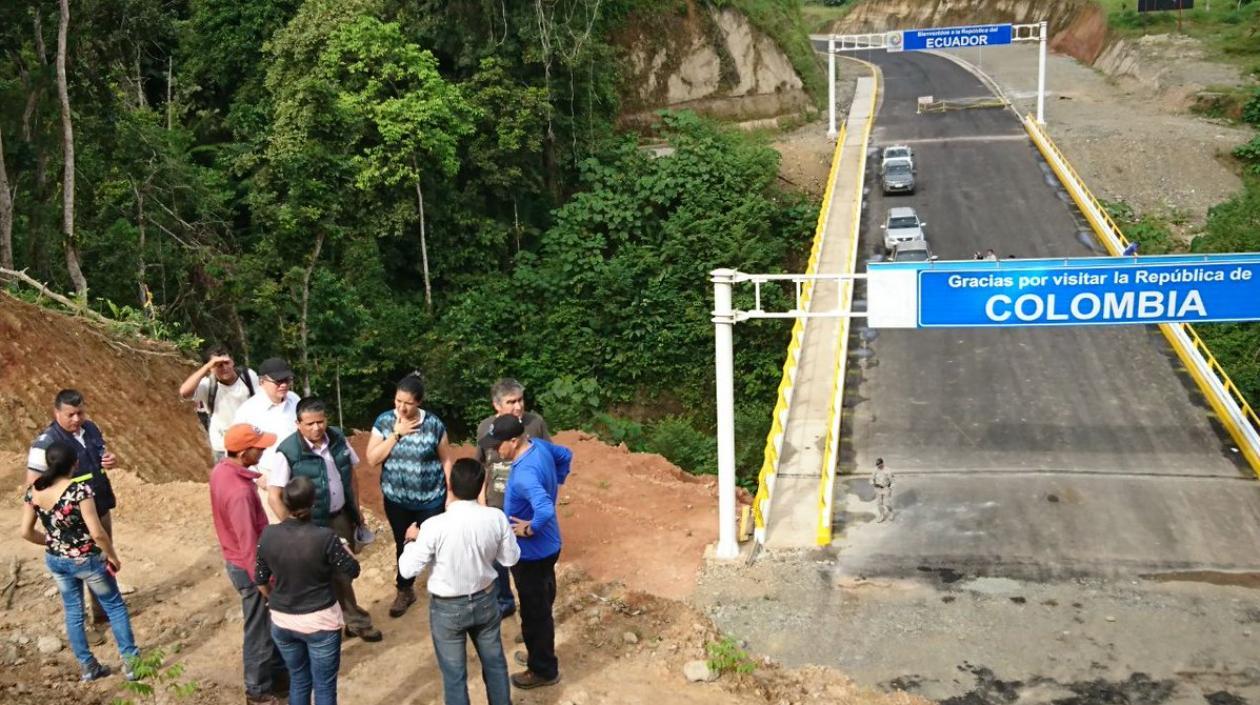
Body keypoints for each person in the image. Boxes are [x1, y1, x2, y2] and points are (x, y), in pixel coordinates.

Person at [399, 459, 520, 705]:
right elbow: (510, 558)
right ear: (481, 487)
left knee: (454, 676)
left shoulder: (434, 526)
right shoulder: (496, 518)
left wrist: (411, 540)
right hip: (487, 600)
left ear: (450, 486)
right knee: (495, 664)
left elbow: (408, 569)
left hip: (448, 609)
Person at [19, 440, 139, 682]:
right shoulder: (80, 490)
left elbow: (26, 532)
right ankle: (132, 663)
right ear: (74, 464)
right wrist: (113, 556)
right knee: (114, 607)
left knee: (73, 612)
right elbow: (97, 532)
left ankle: (88, 666)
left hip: (57, 560)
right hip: (88, 561)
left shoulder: (34, 491)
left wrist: (54, 542)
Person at [271, 397, 381, 642]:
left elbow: (351, 473)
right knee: (319, 577)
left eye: (320, 422)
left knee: (343, 572)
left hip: (340, 516)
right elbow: (274, 495)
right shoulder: (288, 451)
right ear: (298, 423)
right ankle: (336, 625)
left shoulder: (338, 439)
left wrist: (357, 508)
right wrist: (293, 529)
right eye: (309, 424)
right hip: (311, 524)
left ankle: (352, 621)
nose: (316, 428)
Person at [479, 414, 572, 690]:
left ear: (514, 440)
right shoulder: (540, 447)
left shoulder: (524, 474)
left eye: (498, 445)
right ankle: (538, 655)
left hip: (531, 553)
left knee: (534, 614)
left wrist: (529, 529)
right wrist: (557, 481)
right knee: (542, 602)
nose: (495, 450)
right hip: (550, 546)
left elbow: (543, 509)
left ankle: (542, 669)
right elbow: (566, 454)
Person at [256, 477, 361, 705]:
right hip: (320, 622)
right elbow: (352, 570)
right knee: (323, 686)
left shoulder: (268, 535)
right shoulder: (325, 538)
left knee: (299, 680)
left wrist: (273, 599)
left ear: (285, 502)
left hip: (283, 622)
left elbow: (260, 579)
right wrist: (344, 548)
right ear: (313, 502)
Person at [27, 389, 118, 645]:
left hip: (99, 505)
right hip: (72, 520)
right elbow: (33, 485)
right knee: (85, 570)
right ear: (57, 413)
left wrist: (109, 461)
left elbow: (101, 456)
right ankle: (97, 621)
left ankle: (104, 613)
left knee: (102, 563)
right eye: (70, 414)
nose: (76, 419)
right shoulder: (44, 443)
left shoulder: (91, 429)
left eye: (80, 413)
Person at [364, 373, 454, 619]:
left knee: (436, 544)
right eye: (397, 401)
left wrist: (451, 493)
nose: (401, 407)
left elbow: (446, 458)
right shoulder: (384, 422)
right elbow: (372, 459)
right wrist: (396, 434)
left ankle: (446, 590)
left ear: (419, 402)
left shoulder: (433, 424)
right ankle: (405, 589)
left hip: (431, 498)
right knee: (405, 546)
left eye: (408, 403)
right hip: (397, 499)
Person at [210, 424, 287, 705]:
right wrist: (263, 582)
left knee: (267, 624)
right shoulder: (239, 494)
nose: (263, 449)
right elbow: (248, 544)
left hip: (239, 561)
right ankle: (257, 691)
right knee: (259, 630)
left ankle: (279, 677)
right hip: (249, 567)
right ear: (244, 452)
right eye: (259, 446)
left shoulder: (222, 470)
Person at [474, 378, 550, 618]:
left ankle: (535, 614)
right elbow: (480, 466)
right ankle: (504, 601)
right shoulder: (485, 428)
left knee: (527, 565)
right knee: (497, 559)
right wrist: (481, 503)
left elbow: (549, 463)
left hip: (524, 509)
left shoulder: (535, 424)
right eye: (511, 402)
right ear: (497, 405)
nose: (518, 407)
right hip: (495, 504)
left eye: (520, 400)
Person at [233, 357, 301, 522]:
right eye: (278, 381)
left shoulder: (294, 400)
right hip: (269, 475)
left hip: (298, 471)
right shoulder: (248, 411)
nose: (283, 385)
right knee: (279, 525)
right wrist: (256, 476)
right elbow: (237, 451)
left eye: (287, 380)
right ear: (262, 382)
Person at [179, 344, 259, 463]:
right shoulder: (208, 386)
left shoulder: (248, 376)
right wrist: (206, 367)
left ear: (233, 361)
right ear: (211, 368)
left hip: (250, 440)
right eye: (218, 365)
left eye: (227, 362)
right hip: (223, 444)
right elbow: (184, 392)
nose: (224, 367)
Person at [871, 458, 894, 523]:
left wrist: (889, 489)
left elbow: (893, 481)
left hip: (886, 488)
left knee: (887, 503)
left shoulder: (888, 470)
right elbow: (871, 479)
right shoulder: (875, 470)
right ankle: (882, 515)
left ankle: (891, 512)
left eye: (879, 465)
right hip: (878, 489)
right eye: (877, 465)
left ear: (882, 463)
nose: (878, 466)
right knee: (879, 504)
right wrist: (873, 484)